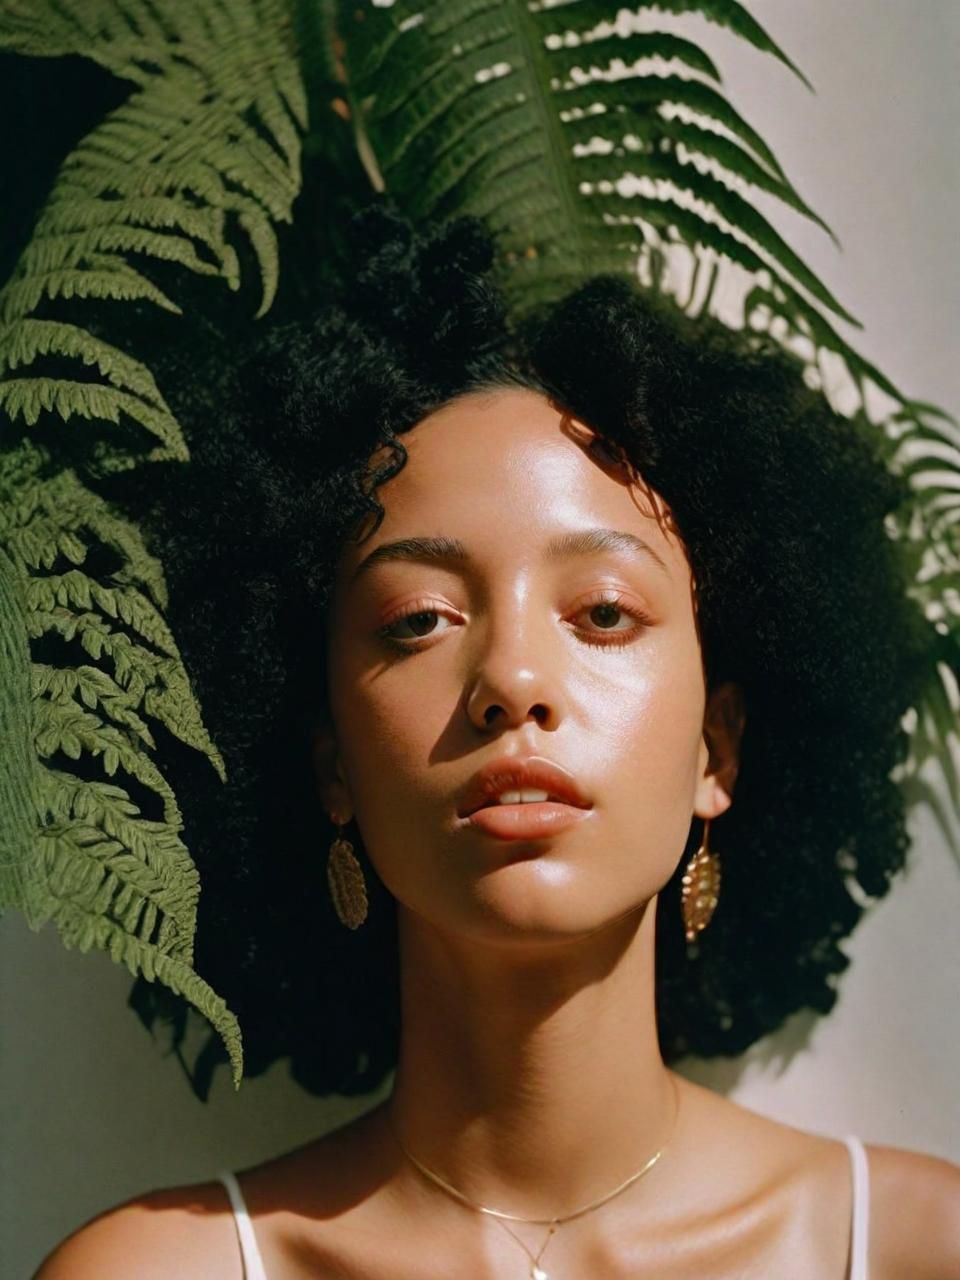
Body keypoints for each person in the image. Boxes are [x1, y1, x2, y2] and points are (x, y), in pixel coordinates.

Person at [36, 207, 960, 1278]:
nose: (512, 679)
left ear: (719, 746)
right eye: (419, 618)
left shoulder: (912, 1247)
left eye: (604, 611)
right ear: (331, 761)